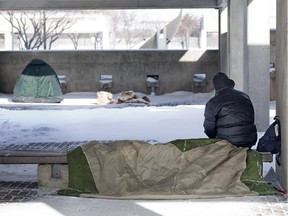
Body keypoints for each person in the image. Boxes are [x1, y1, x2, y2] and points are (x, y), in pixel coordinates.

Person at [203, 72, 257, 148]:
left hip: (226, 142)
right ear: (229, 83)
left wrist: (215, 138)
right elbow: (251, 118)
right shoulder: (245, 96)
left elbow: (209, 128)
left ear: (216, 87)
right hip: (248, 140)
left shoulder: (213, 102)